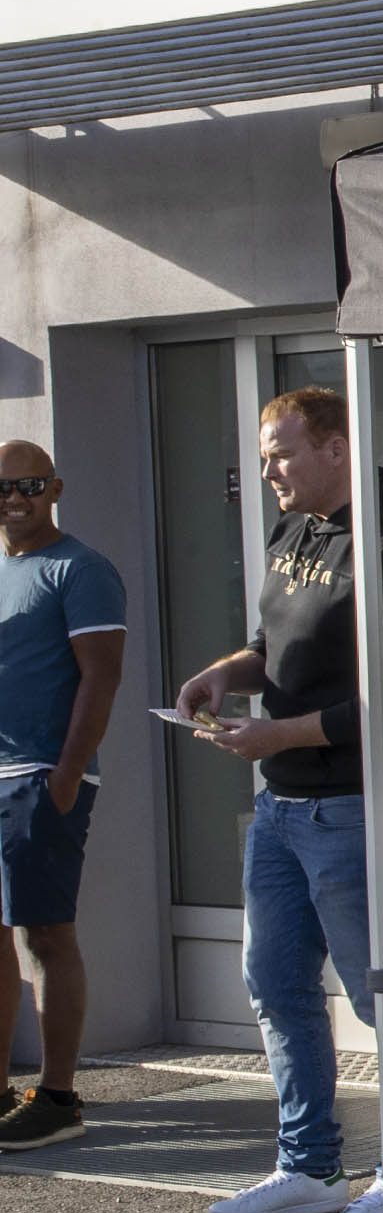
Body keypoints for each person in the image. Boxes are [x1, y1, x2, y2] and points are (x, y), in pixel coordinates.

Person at [182, 388, 383, 1213]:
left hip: (360, 803)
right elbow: (279, 649)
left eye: (283, 453)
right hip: (284, 803)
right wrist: (225, 674)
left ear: (337, 447)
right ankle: (309, 1165)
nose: (268, 470)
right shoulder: (292, 531)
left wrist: (277, 733)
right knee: (275, 979)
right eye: (264, 456)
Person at [0, 441, 126, 1152]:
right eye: (3, 487)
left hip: (40, 774)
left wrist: (67, 774)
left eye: (30, 484)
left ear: (55, 487)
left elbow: (100, 677)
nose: (14, 497)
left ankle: (57, 1095)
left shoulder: (81, 568)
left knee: (45, 934)